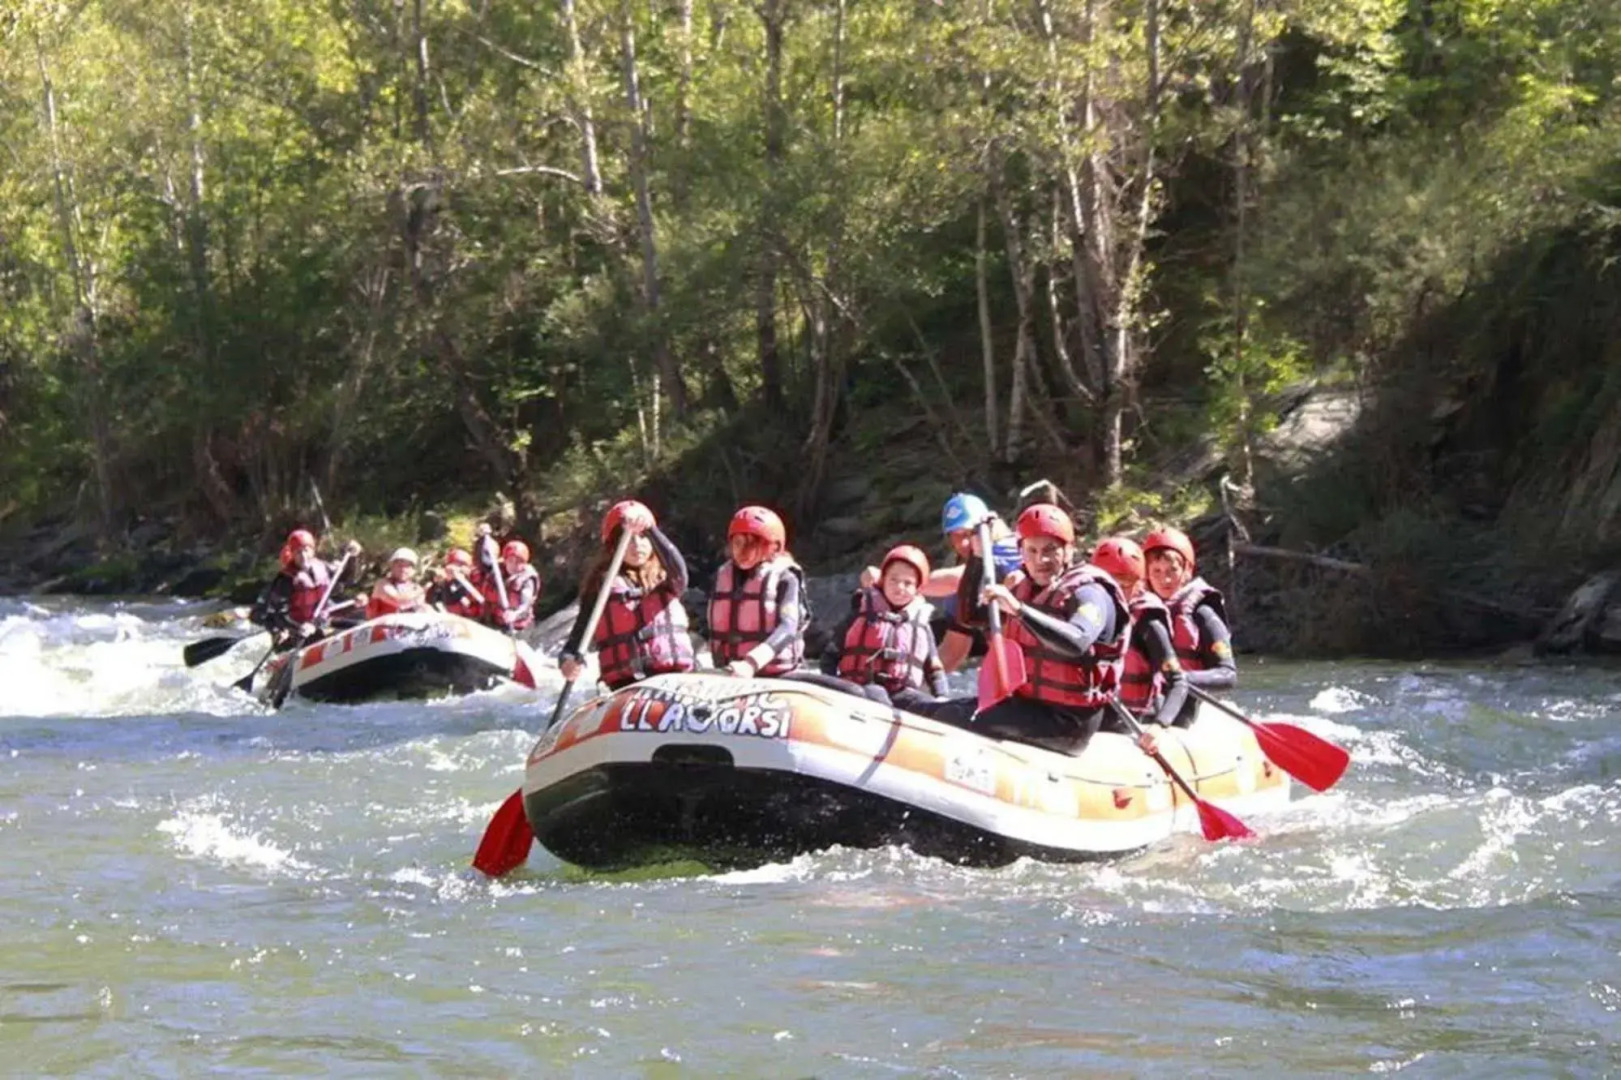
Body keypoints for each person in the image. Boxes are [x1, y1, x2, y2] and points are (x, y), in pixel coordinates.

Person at [932, 504, 1131, 755]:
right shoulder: (1026, 588)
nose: (1041, 560)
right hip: (1029, 707)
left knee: (952, 716)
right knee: (934, 709)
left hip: (1068, 724)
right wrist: (978, 558)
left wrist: (1018, 609)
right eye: (1032, 550)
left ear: (1069, 550)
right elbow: (969, 617)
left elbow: (1077, 640)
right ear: (1021, 552)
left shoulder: (1090, 592)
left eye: (1051, 550)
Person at [559, 500, 695, 690]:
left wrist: (651, 530)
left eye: (642, 537)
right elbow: (574, 644)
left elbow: (680, 572)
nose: (636, 545)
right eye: (628, 538)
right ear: (614, 546)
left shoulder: (667, 576)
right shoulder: (601, 587)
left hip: (674, 680)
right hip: (626, 687)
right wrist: (567, 661)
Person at [822, 544, 949, 713]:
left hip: (902, 692)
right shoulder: (861, 611)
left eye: (908, 583)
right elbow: (829, 656)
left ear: (918, 589)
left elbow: (934, 670)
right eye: (893, 580)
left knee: (932, 707)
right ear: (883, 580)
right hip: (862, 689)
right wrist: (833, 688)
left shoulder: (921, 624)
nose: (899, 588)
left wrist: (942, 698)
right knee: (876, 693)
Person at [1090, 536, 1189, 744]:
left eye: (1123, 585)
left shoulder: (1148, 622)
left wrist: (1159, 726)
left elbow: (1178, 682)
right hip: (1094, 714)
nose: (1112, 594)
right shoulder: (1085, 612)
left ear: (1138, 584)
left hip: (1132, 719)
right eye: (1105, 586)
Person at [1143, 526, 1237, 722]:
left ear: (1187, 570)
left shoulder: (1202, 613)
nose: (1164, 579)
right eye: (1156, 571)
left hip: (1183, 710)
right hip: (1144, 705)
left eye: (1172, 570)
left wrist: (1179, 679)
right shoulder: (1141, 611)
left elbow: (1227, 675)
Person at [708, 505, 809, 678]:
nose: (743, 551)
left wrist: (751, 663)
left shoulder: (786, 578)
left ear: (773, 548)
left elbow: (788, 627)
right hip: (730, 672)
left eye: (752, 543)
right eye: (738, 543)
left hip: (779, 674)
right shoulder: (723, 576)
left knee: (854, 692)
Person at [250, 529, 363, 651]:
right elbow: (276, 615)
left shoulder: (322, 567)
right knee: (316, 637)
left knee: (359, 625)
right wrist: (294, 628)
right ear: (292, 555)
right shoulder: (285, 581)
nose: (303, 556)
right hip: (298, 632)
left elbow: (346, 579)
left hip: (321, 623)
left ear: (313, 551)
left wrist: (352, 558)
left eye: (306, 550)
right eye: (298, 552)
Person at [480, 536, 541, 632]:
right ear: (505, 561)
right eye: (511, 561)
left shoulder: (527, 580)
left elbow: (525, 605)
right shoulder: (496, 572)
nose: (514, 565)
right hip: (496, 623)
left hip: (519, 628)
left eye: (519, 562)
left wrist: (515, 614)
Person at [366, 547, 428, 619]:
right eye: (399, 565)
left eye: (407, 566)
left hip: (406, 629)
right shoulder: (382, 584)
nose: (403, 569)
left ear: (413, 570)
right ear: (392, 567)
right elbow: (399, 602)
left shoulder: (416, 588)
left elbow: (421, 611)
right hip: (382, 627)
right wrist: (420, 592)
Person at [426, 548, 485, 620]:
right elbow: (429, 601)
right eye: (454, 565)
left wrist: (461, 579)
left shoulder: (474, 583)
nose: (455, 569)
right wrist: (437, 584)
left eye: (461, 565)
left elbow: (478, 602)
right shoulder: (444, 583)